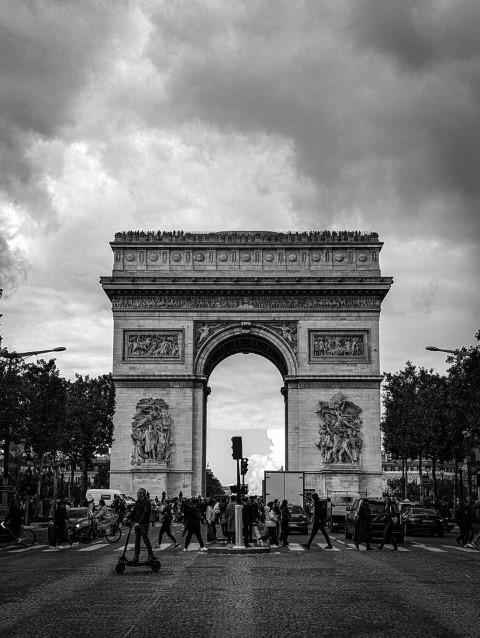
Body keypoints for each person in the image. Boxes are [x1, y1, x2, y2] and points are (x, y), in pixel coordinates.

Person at [126, 488, 156, 564]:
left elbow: (145, 513)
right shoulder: (138, 502)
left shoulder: (147, 503)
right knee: (137, 541)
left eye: (139, 493)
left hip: (143, 524)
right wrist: (127, 517)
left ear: (143, 494)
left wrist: (139, 522)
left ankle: (151, 555)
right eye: (137, 493)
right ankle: (136, 557)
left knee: (146, 539)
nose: (138, 494)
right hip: (137, 524)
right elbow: (134, 511)